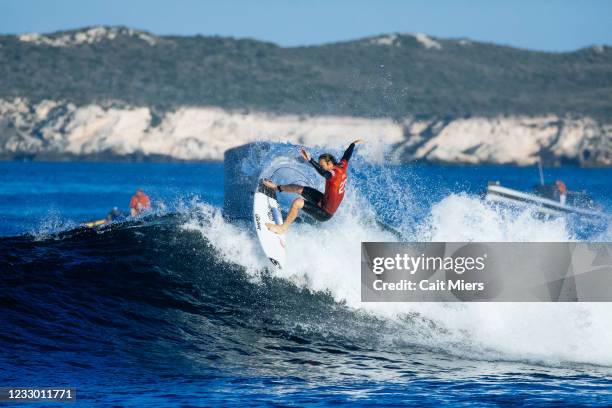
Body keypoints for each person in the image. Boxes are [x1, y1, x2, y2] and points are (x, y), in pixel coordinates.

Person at [263, 140, 364, 234]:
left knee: (297, 202)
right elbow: (347, 155)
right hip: (324, 200)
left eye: (322, 165)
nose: (321, 167)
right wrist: (353, 144)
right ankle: (276, 187)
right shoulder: (341, 166)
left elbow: (324, 173)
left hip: (325, 213)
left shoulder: (333, 174)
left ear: (329, 164)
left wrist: (310, 160)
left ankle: (282, 228)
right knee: (298, 188)